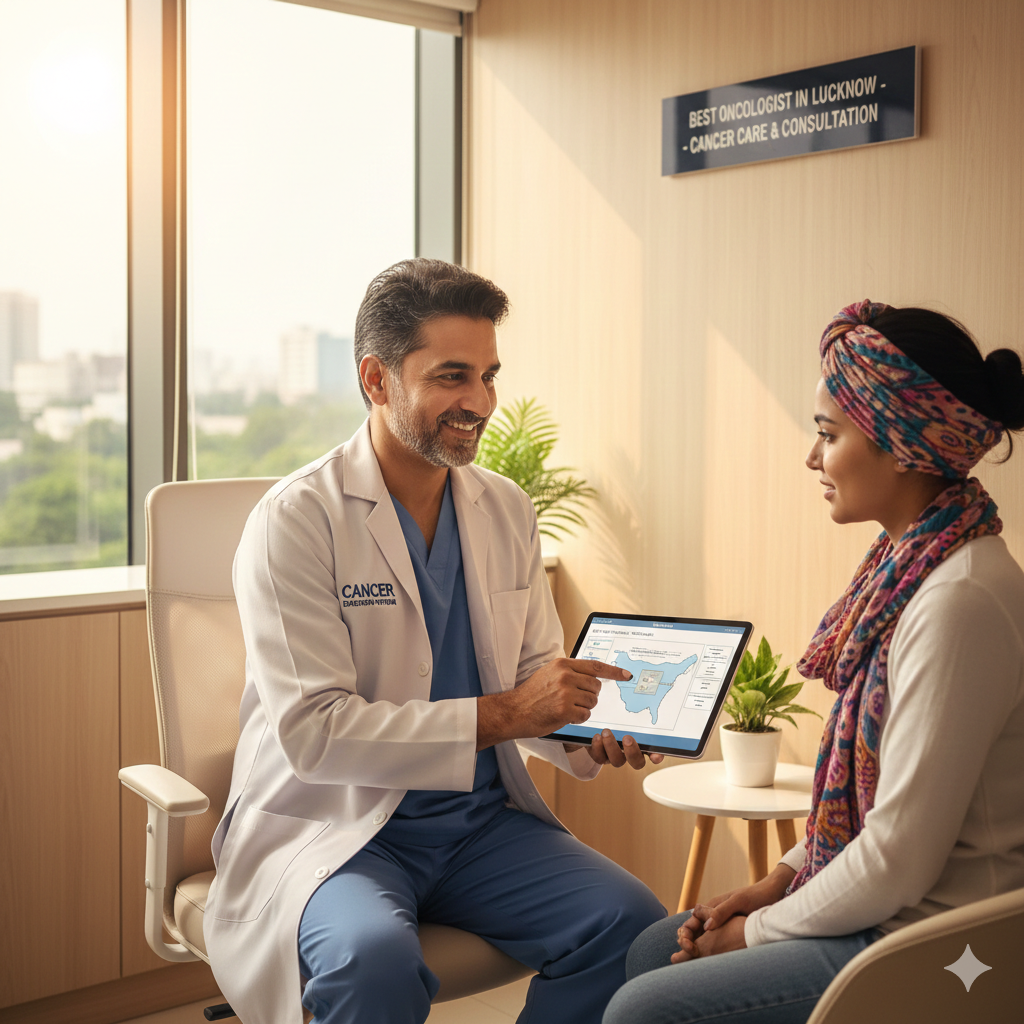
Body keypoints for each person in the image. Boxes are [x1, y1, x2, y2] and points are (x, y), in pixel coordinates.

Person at [203, 258, 666, 1024]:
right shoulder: (297, 520)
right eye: (453, 376)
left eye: (488, 375)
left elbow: (529, 675)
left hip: (478, 825)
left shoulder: (505, 509)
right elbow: (317, 734)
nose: (480, 402)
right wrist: (511, 714)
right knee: (371, 961)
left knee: (630, 926)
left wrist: (592, 733)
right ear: (376, 379)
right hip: (337, 826)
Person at [604, 300, 1024, 1024]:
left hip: (935, 939)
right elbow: (879, 817)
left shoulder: (960, 601)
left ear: (903, 443)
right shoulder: (910, 568)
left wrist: (751, 935)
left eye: (827, 435)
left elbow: (896, 856)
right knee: (649, 950)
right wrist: (776, 881)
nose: (811, 457)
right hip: (897, 908)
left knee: (646, 1009)